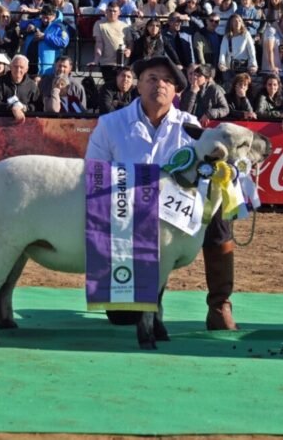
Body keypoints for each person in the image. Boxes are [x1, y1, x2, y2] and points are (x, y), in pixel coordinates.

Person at [87, 55, 239, 330]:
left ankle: (220, 304)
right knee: (123, 319)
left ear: (176, 91)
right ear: (138, 85)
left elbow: (204, 174)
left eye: (168, 81)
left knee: (218, 207)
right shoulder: (109, 124)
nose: (160, 85)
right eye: (152, 79)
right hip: (127, 218)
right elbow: (95, 176)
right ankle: (141, 292)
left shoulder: (191, 126)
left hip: (174, 217)